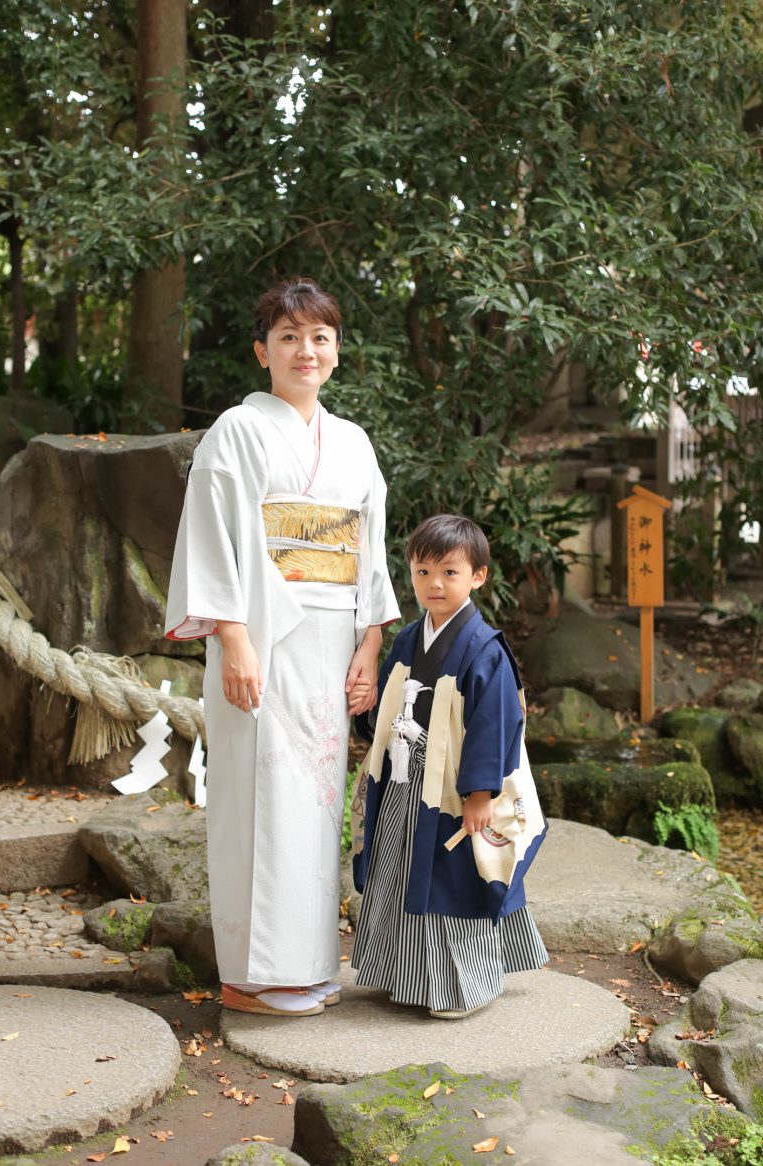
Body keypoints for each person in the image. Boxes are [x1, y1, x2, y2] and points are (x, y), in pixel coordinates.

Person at [165, 277, 399, 1016]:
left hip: (332, 641)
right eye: (290, 336)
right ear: (262, 350)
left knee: (314, 802)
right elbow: (212, 542)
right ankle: (250, 976)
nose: (307, 350)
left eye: (320, 337)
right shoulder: (236, 429)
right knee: (258, 798)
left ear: (337, 350)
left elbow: (372, 552)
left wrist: (369, 646)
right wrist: (232, 640)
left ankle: (303, 966)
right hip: (261, 636)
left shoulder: (354, 444)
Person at [351, 514, 548, 1019]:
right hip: (402, 779)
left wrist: (480, 794)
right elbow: (389, 706)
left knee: (454, 879)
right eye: (422, 572)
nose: (434, 584)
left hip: (453, 789)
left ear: (478, 576)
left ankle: (461, 988)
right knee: (395, 869)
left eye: (449, 573)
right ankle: (400, 973)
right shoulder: (406, 640)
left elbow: (495, 722)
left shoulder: (486, 649)